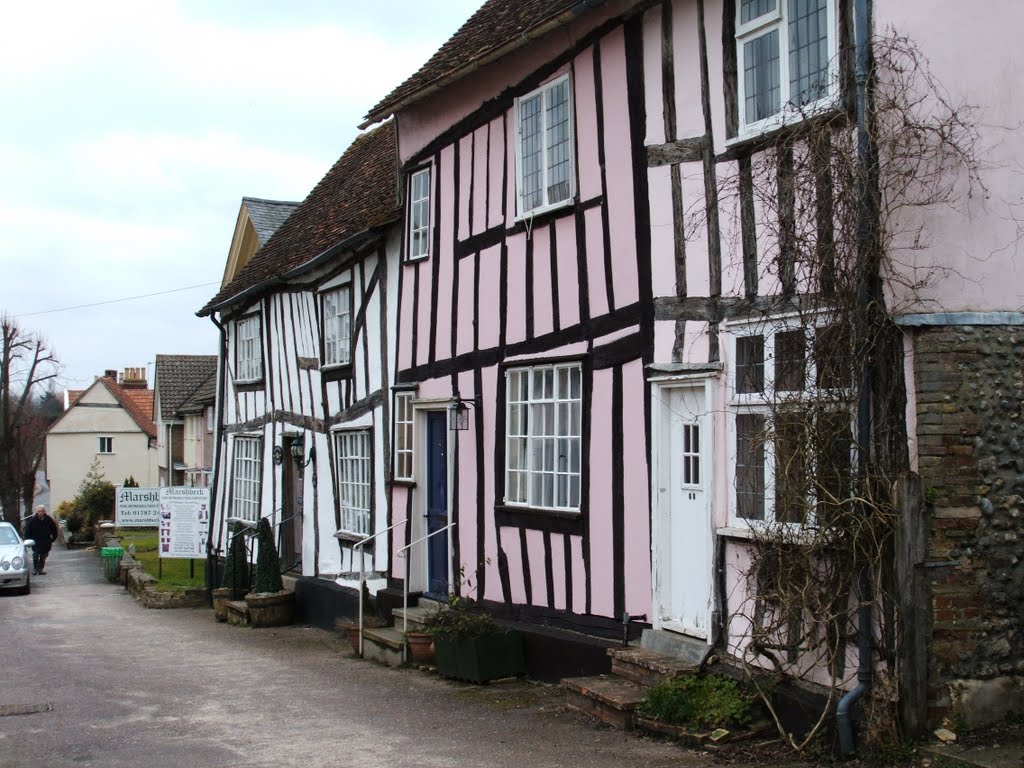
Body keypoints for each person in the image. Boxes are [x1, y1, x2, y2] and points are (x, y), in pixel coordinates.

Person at [24, 505, 58, 575]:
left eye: (42, 511)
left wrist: (53, 538)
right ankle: (35, 568)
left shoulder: (48, 520)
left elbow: (54, 529)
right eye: (39, 511)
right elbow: (28, 531)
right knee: (35, 554)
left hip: (46, 541)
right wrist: (28, 541)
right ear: (37, 512)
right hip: (36, 541)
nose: (40, 513)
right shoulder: (32, 521)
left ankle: (40, 569)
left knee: (44, 555)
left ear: (44, 512)